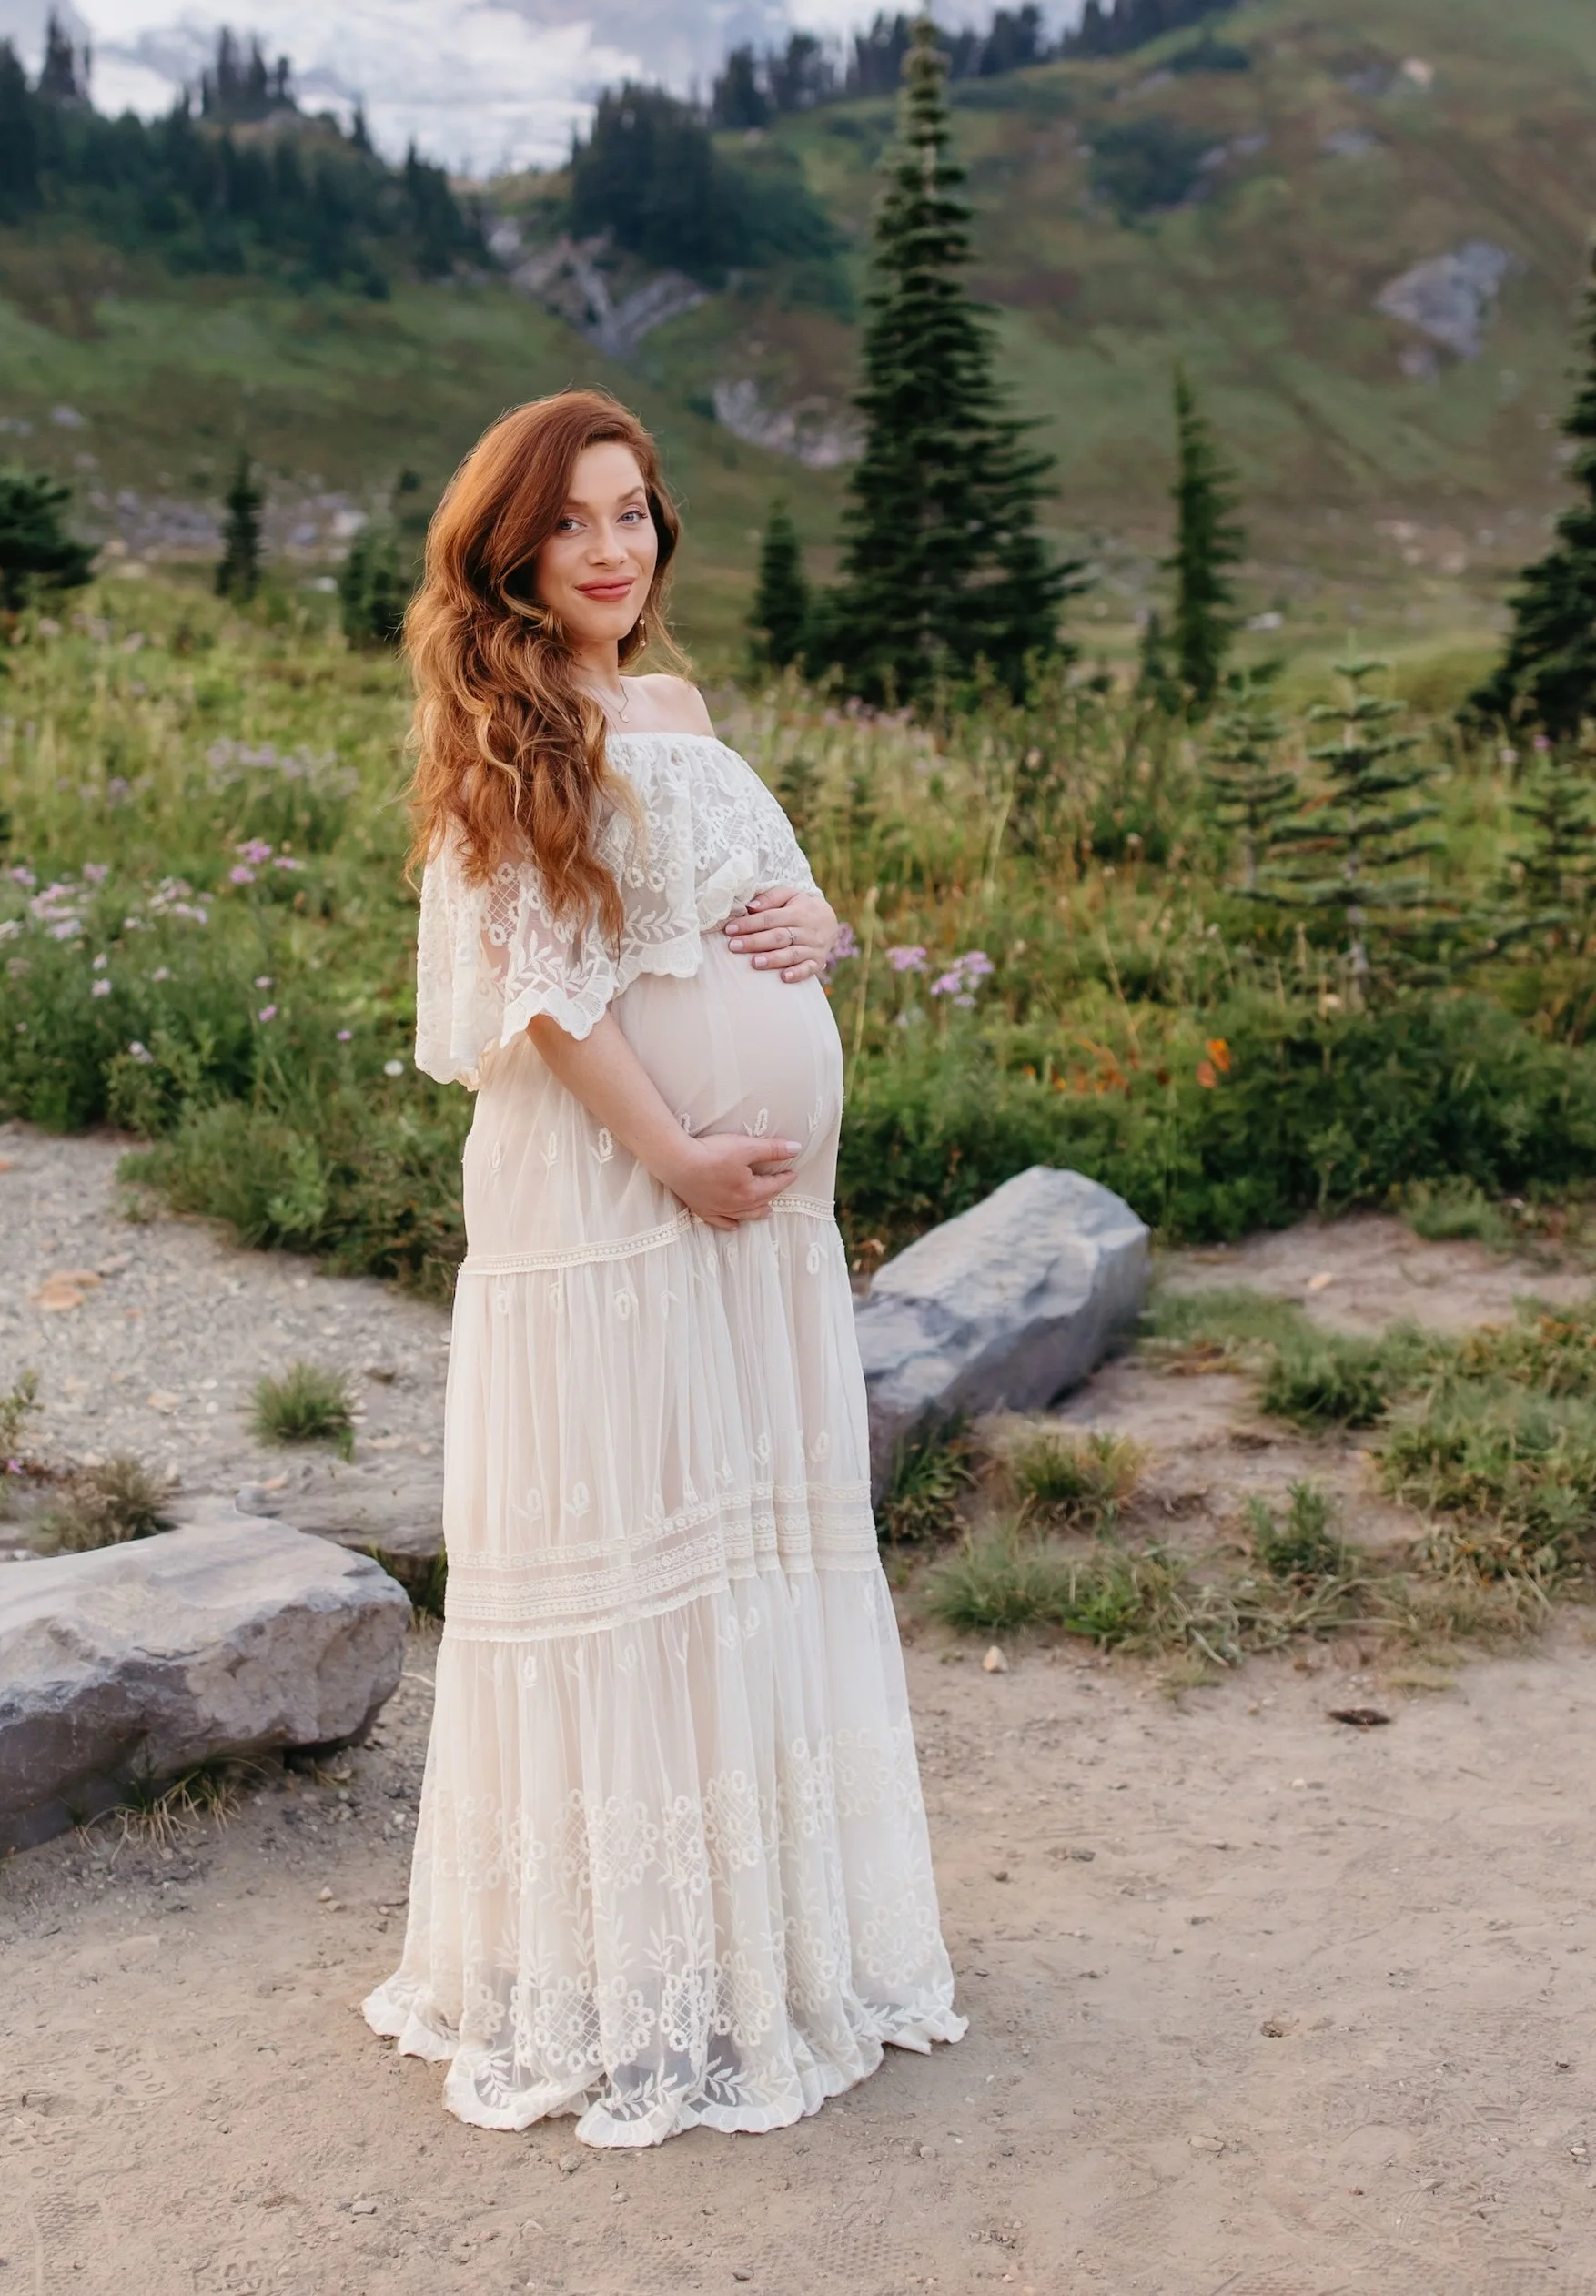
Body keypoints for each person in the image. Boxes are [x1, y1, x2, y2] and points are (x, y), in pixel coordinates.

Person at [364, 389, 965, 2143]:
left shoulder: (678, 708)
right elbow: (547, 995)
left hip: (753, 1241)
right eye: (572, 521)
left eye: (632, 512)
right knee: (631, 1546)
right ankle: (616, 1974)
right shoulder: (505, 723)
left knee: (738, 1563)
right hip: (612, 1207)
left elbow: (745, 906)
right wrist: (677, 1153)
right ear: (511, 550)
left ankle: (749, 1949)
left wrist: (825, 929)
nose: (612, 548)